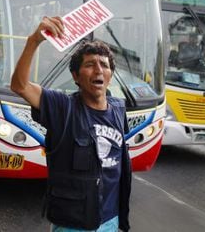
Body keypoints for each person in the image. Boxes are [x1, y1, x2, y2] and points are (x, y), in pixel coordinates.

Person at [10, 16, 131, 232]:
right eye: (90, 65)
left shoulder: (119, 109)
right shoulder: (63, 107)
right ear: (76, 76)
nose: (98, 70)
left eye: (104, 65)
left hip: (111, 219)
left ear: (110, 76)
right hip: (73, 224)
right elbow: (19, 86)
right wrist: (33, 41)